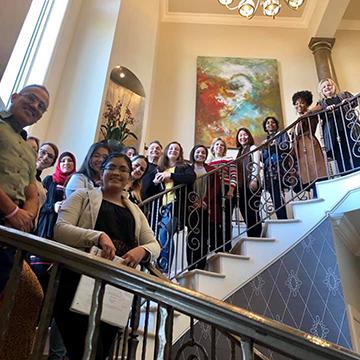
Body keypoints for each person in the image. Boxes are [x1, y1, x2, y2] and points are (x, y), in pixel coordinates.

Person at [53, 153, 160, 359]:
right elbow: (61, 230)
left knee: (101, 352)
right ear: (101, 172)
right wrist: (97, 236)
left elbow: (154, 244)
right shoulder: (82, 196)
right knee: (83, 350)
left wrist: (142, 251)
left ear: (130, 177)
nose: (117, 173)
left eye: (123, 169)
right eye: (111, 167)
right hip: (77, 280)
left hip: (116, 289)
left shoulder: (135, 211)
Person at [0, 84, 49, 360]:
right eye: (32, 99)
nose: (36, 107)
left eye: (42, 107)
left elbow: (31, 187)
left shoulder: (29, 149)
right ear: (16, 96)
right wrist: (11, 212)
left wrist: (27, 214)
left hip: (11, 228)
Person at [153, 141, 196, 273]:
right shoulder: (160, 169)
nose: (174, 151)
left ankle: (163, 269)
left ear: (180, 153)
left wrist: (171, 175)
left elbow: (191, 178)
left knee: (165, 234)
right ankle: (161, 268)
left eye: (177, 149)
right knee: (162, 237)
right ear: (166, 151)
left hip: (176, 206)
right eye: (171, 148)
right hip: (162, 208)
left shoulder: (184, 166)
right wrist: (155, 182)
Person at [315, 78, 360, 173]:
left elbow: (356, 101)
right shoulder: (321, 103)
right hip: (334, 134)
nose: (327, 88)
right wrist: (326, 109)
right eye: (324, 87)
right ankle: (346, 176)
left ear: (333, 86)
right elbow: (320, 116)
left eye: (329, 85)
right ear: (321, 91)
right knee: (341, 157)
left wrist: (348, 101)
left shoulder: (344, 95)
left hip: (350, 128)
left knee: (356, 151)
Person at [187, 145, 219, 270]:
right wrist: (192, 202)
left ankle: (200, 265)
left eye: (203, 152)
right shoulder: (187, 169)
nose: (200, 154)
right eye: (198, 152)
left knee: (204, 236)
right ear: (193, 153)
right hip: (191, 207)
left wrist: (204, 201)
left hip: (205, 207)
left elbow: (215, 188)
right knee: (191, 236)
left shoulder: (210, 169)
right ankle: (190, 266)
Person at [291, 90, 327, 196]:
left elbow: (321, 106)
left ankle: (319, 196)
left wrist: (307, 113)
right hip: (300, 148)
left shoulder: (311, 114)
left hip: (309, 144)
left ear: (307, 103)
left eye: (301, 102)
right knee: (307, 175)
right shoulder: (297, 120)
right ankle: (315, 197)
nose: (299, 105)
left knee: (315, 172)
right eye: (296, 104)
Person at [261, 116, 297, 220]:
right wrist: (263, 149)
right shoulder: (265, 140)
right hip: (269, 171)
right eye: (268, 123)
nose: (270, 124)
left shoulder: (282, 134)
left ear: (276, 125)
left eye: (272, 122)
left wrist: (271, 146)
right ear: (266, 127)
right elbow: (263, 158)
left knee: (288, 190)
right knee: (275, 197)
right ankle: (282, 219)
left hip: (281, 169)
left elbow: (285, 147)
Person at [207, 137, 237, 252]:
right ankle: (215, 246)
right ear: (213, 147)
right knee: (214, 219)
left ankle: (227, 246)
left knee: (226, 218)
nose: (219, 147)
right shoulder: (208, 162)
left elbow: (233, 175)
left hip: (226, 189)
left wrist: (231, 190)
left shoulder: (229, 159)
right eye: (217, 145)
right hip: (213, 191)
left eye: (222, 145)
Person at [235, 128, 262, 237]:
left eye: (245, 135)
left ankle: (255, 236)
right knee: (244, 210)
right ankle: (251, 234)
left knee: (252, 211)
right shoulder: (239, 152)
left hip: (252, 183)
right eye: (240, 135)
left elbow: (256, 164)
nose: (242, 137)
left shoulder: (253, 148)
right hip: (242, 187)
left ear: (249, 136)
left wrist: (254, 179)